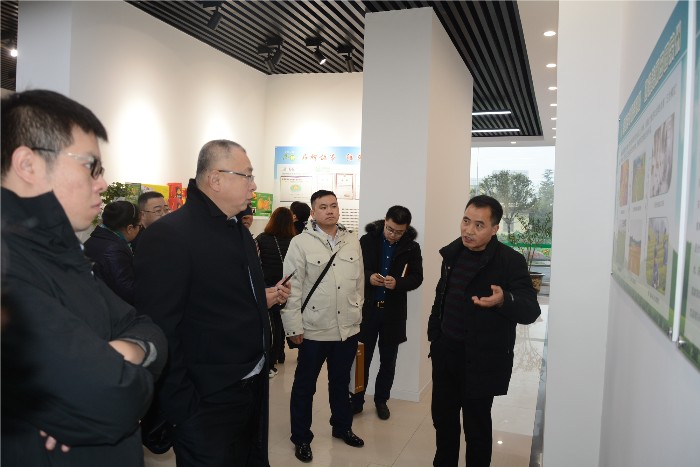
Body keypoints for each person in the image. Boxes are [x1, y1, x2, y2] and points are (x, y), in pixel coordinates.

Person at [0, 89, 167, 467]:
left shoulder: (61, 253)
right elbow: (114, 397)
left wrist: (131, 350)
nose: (102, 183)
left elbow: (144, 326)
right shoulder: (10, 263)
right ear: (28, 164)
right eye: (91, 166)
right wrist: (123, 369)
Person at [134, 139, 290, 467]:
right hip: (205, 401)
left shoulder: (237, 231)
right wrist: (183, 408)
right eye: (247, 176)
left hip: (251, 389)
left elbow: (223, 300)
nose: (254, 185)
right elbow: (159, 329)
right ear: (216, 179)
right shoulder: (169, 235)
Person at [427, 195, 541, 467]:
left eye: (479, 225)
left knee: (476, 428)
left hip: (481, 360)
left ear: (494, 228)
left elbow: (530, 309)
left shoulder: (509, 261)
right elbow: (442, 296)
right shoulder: (452, 254)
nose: (468, 230)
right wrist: (435, 336)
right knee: (443, 420)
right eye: (466, 221)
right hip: (446, 354)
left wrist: (504, 300)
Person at [282, 190, 365, 463]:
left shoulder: (351, 240)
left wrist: (357, 311)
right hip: (314, 329)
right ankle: (301, 437)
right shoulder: (300, 243)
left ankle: (342, 427)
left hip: (346, 329)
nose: (330, 211)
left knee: (340, 383)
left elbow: (359, 282)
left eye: (333, 205)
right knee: (305, 386)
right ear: (313, 212)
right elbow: (291, 288)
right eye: (323, 207)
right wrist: (293, 326)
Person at [350, 205, 424, 420]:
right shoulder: (367, 241)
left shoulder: (411, 248)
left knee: (388, 361)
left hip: (393, 314)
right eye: (390, 229)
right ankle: (356, 400)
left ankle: (381, 401)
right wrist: (369, 276)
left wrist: (398, 283)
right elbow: (355, 269)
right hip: (368, 311)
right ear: (385, 221)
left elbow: (417, 278)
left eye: (399, 232)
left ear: (406, 229)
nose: (393, 235)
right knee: (361, 358)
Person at [255, 207, 296, 376]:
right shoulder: (294, 240)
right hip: (287, 286)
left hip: (267, 287)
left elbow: (256, 263)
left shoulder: (262, 239)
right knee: (281, 323)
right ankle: (280, 354)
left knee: (271, 326)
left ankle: (270, 361)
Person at [84, 200, 141, 304]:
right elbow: (128, 292)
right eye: (139, 226)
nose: (139, 230)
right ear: (130, 228)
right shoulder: (114, 250)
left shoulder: (96, 239)